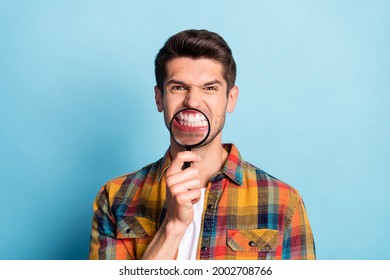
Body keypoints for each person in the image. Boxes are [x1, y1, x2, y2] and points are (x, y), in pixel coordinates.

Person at [89, 29, 316, 260]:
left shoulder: (284, 203)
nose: (193, 101)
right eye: (178, 87)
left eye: (210, 88)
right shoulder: (116, 197)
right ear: (159, 99)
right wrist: (173, 227)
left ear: (231, 98)